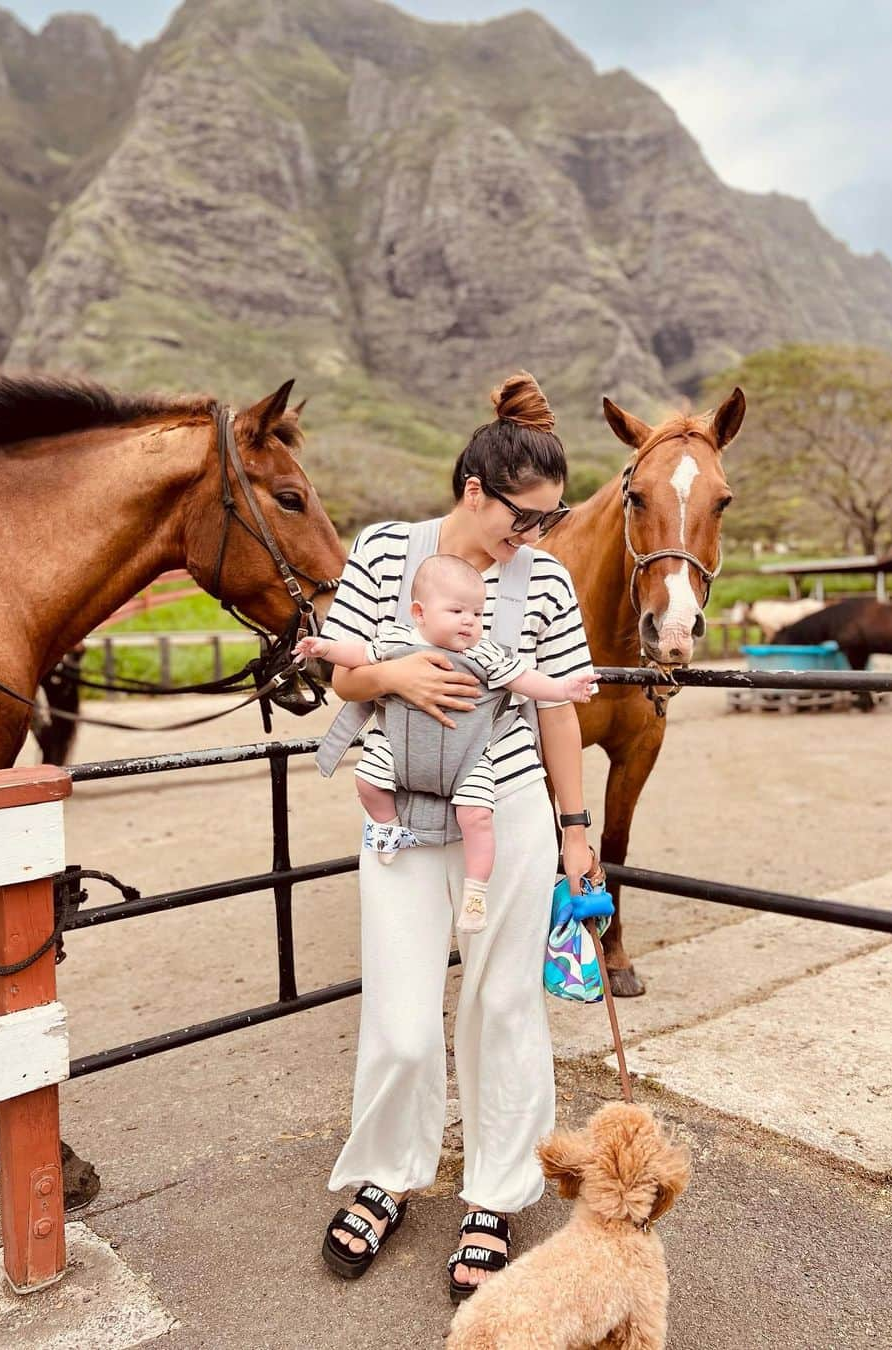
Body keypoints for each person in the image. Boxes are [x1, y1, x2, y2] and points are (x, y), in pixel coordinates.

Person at [318, 371, 596, 1304]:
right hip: (403, 807)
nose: (532, 538)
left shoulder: (546, 578)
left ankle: (495, 1193)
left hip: (508, 804)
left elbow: (560, 716)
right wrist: (399, 675)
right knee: (400, 1019)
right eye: (523, 518)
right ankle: (390, 1171)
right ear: (474, 490)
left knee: (503, 1002)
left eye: (549, 521)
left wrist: (575, 828)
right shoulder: (386, 551)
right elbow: (341, 684)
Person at [294, 553, 596, 933]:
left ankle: (475, 891)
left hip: (467, 757)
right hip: (401, 749)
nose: (469, 621)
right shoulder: (396, 639)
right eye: (456, 611)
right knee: (367, 780)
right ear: (419, 613)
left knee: (478, 816)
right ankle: (387, 827)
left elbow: (524, 679)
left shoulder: (485, 654)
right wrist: (322, 649)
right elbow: (357, 654)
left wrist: (563, 686)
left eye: (477, 613)